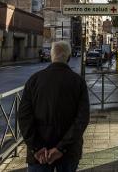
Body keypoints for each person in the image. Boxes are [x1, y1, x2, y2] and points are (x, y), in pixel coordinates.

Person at [18, 41, 89, 172]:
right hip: (68, 152)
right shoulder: (78, 82)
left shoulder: (34, 80)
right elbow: (82, 119)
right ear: (68, 58)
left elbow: (23, 117)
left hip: (40, 155)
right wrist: (61, 148)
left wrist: (36, 147)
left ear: (52, 56)